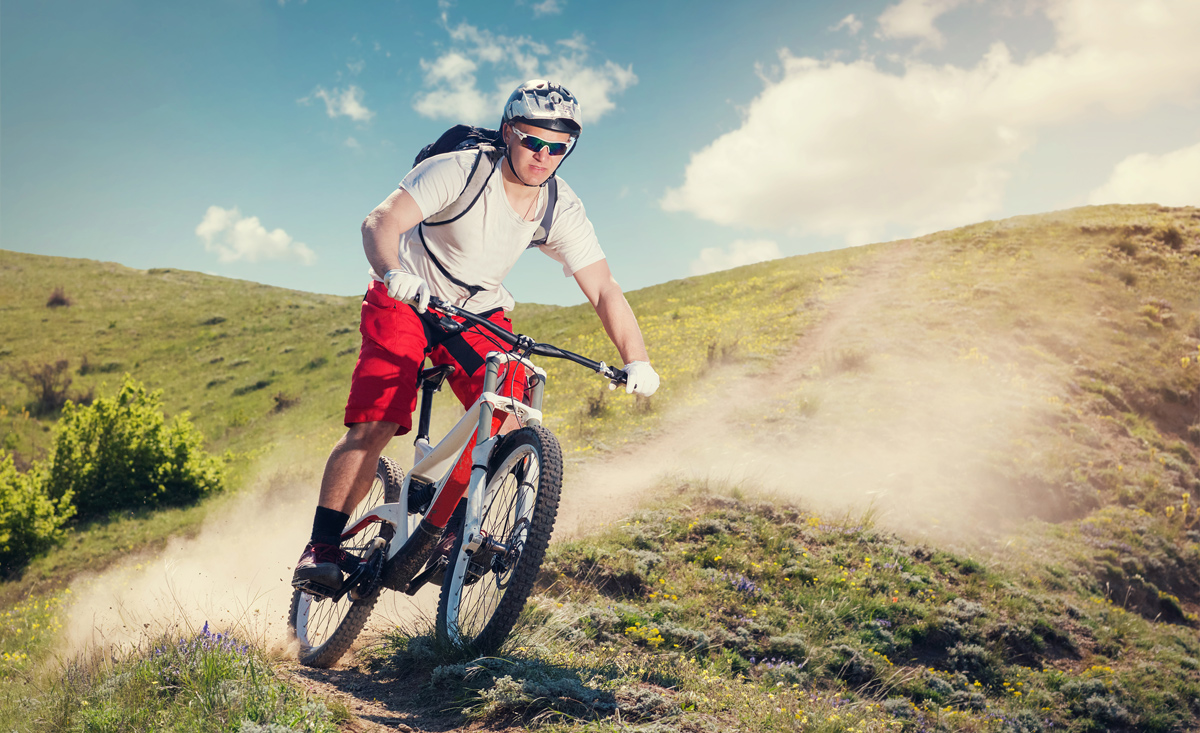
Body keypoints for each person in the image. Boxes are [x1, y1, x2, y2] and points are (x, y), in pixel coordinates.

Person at [292, 80, 660, 592]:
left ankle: (453, 523)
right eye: (534, 141)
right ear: (509, 131)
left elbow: (602, 288)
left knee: (510, 405)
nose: (545, 156)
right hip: (407, 294)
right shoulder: (461, 170)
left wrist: (637, 360)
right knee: (377, 422)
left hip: (476, 309)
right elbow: (380, 221)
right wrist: (393, 270)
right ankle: (322, 546)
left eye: (559, 148)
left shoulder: (560, 207)